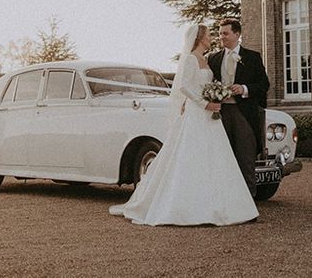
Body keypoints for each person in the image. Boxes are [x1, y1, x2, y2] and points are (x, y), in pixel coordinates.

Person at [109, 24, 258, 225]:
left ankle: (225, 204)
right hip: (198, 113)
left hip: (210, 115)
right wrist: (206, 103)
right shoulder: (189, 59)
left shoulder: (206, 59)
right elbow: (184, 87)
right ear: (199, 38)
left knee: (216, 159)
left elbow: (205, 84)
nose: (212, 37)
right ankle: (186, 206)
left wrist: (216, 95)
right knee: (190, 157)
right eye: (208, 35)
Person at [208, 17, 269, 199]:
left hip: (244, 113)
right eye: (220, 34)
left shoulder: (252, 57)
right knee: (222, 156)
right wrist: (215, 94)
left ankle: (248, 199)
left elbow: (264, 85)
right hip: (220, 114)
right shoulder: (214, 59)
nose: (222, 37)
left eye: (225, 33)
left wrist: (244, 89)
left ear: (237, 34)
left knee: (245, 157)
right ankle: (225, 198)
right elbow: (208, 84)